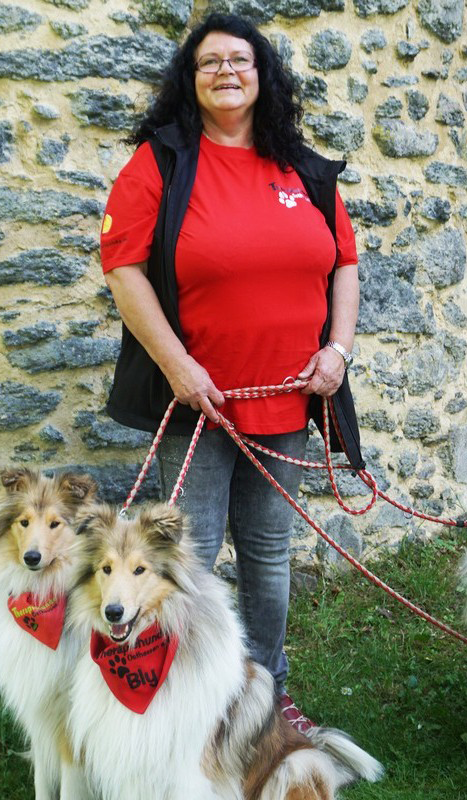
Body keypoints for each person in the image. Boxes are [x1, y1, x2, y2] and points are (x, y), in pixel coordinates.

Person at [98, 12, 364, 733]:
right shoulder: (160, 162)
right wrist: (178, 366)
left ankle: (268, 695)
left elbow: (344, 262)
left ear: (262, 74)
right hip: (198, 404)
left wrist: (336, 352)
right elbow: (122, 269)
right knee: (190, 557)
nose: (225, 71)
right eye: (209, 61)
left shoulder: (303, 167)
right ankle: (192, 700)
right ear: (190, 79)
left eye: (240, 60)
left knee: (270, 556)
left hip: (288, 404)